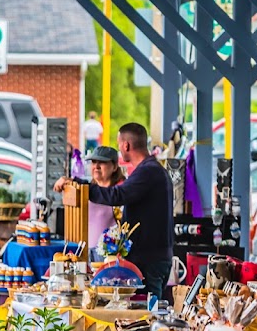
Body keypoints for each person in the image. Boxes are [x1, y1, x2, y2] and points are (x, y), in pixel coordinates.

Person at [55, 122, 173, 298]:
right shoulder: (153, 170)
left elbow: (117, 195)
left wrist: (80, 186)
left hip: (149, 260)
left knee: (147, 314)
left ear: (126, 145)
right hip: (154, 256)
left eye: (119, 145)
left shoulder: (148, 172)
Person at [82, 145, 126, 259]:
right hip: (84, 250)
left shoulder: (120, 191)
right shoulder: (87, 189)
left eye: (102, 162)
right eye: (93, 162)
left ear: (115, 166)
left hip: (109, 254)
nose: (96, 166)